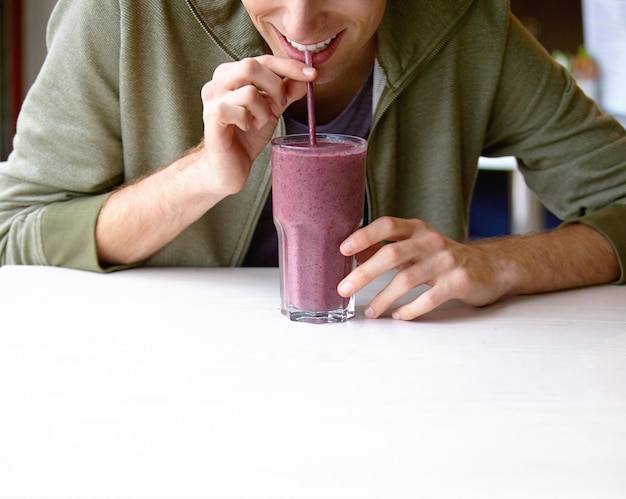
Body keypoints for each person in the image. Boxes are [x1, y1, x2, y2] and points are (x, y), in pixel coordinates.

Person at [1, 0, 625, 321]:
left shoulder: (465, 27)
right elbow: (14, 232)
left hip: (403, 404)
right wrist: (198, 176)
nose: (301, 22)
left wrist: (500, 262)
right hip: (163, 394)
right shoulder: (124, 15)